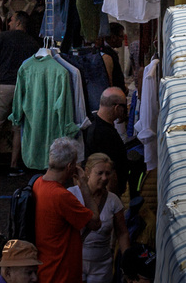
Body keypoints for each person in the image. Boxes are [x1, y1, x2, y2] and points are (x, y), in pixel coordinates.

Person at [31, 138, 97, 283]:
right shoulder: (62, 196)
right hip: (61, 274)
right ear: (69, 167)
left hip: (45, 268)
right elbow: (95, 223)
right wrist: (84, 186)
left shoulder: (37, 184)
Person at [0, 11, 37, 175]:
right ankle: (14, 166)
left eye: (11, 20)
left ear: (19, 22)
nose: (8, 23)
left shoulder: (4, 37)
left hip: (3, 86)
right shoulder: (33, 42)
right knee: (18, 128)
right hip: (22, 87)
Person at [69, 155, 125, 283]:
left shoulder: (114, 201)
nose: (104, 178)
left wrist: (126, 261)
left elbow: (122, 233)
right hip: (75, 263)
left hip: (102, 266)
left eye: (107, 173)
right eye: (99, 173)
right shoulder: (71, 195)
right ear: (87, 172)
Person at [80, 89, 129, 194]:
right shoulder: (104, 133)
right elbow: (109, 172)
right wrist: (112, 200)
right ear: (117, 108)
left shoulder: (93, 123)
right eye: (124, 107)